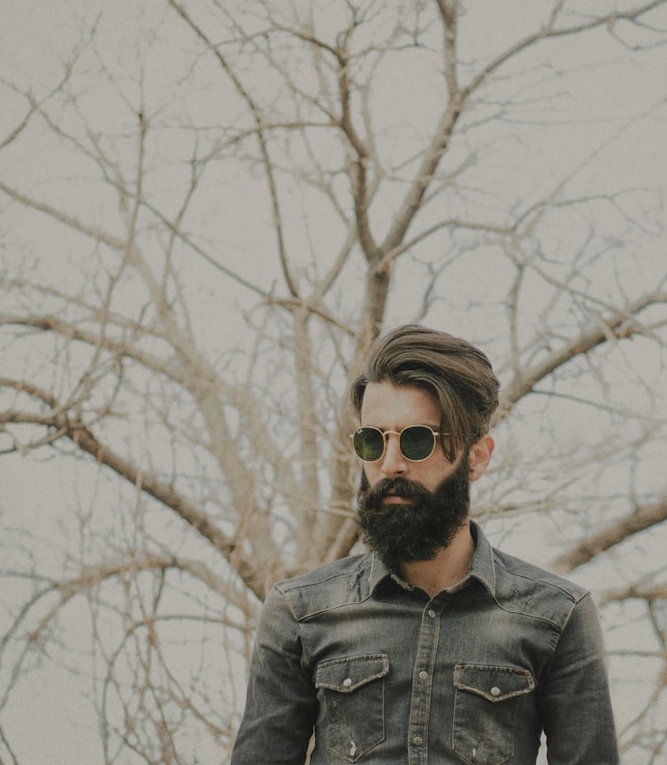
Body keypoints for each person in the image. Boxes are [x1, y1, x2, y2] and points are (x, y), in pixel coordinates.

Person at [230, 325, 618, 764]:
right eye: (372, 441)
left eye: (416, 441)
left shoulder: (556, 616)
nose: (390, 464)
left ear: (477, 456)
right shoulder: (300, 614)